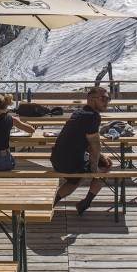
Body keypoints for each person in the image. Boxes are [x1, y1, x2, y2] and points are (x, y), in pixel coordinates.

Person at [50, 86, 113, 215]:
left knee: (76, 179)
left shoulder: (80, 112)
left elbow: (87, 144)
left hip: (57, 159)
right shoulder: (93, 116)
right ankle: (87, 202)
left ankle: (53, 202)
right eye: (103, 98)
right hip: (70, 162)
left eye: (108, 99)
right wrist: (95, 168)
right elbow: (95, 146)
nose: (106, 102)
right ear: (90, 99)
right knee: (105, 166)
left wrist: (98, 156)